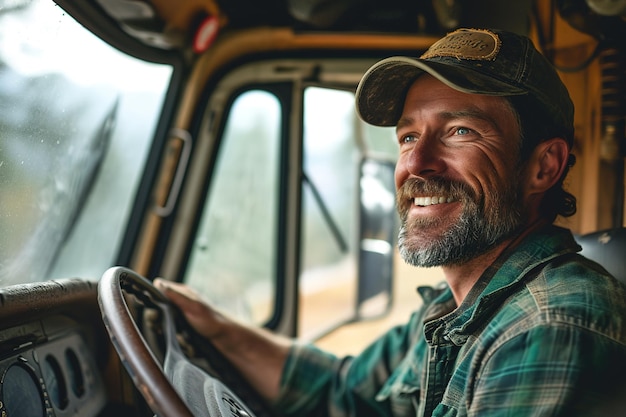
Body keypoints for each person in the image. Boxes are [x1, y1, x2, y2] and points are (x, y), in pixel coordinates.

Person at [155, 28, 626, 416]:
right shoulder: (456, 308)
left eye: (460, 131)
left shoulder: (549, 327)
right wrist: (215, 327)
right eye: (407, 136)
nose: (417, 163)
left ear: (543, 166)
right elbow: (345, 392)